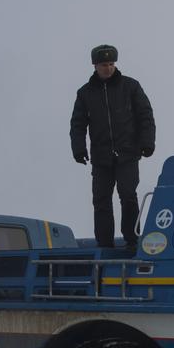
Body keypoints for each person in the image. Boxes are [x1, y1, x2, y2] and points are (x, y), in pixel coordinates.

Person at [70, 44, 156, 248]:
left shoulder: (131, 86)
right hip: (101, 157)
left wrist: (147, 142)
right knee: (101, 201)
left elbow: (145, 116)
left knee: (128, 195)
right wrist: (78, 149)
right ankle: (104, 244)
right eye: (103, 64)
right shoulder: (85, 93)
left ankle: (132, 239)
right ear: (95, 66)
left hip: (128, 154)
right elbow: (78, 124)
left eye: (110, 64)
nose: (107, 68)